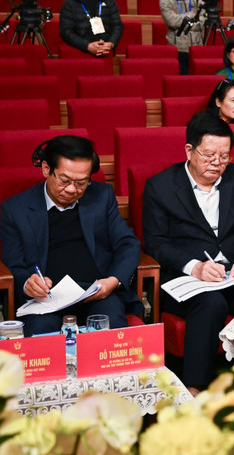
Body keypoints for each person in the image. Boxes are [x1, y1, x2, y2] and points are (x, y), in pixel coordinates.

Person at [142, 113, 234, 393]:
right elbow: (155, 243)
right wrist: (194, 266)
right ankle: (195, 388)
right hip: (186, 277)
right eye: (208, 156)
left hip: (233, 273)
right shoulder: (161, 186)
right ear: (189, 151)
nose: (217, 163)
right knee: (211, 304)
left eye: (224, 156)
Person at [0, 136, 141, 336]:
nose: (72, 189)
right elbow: (13, 265)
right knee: (42, 333)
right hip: (45, 301)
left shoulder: (102, 196)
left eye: (81, 183)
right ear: (46, 169)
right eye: (64, 181)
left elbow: (128, 243)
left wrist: (114, 280)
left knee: (110, 324)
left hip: (96, 293)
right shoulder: (15, 209)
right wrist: (27, 284)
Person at [59, 0, 123, 57]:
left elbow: (117, 25)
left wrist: (110, 43)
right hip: (81, 52)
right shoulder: (69, 4)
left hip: (106, 50)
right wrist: (87, 46)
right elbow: (66, 32)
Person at [160, 0, 203, 75]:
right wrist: (193, 14)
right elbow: (172, 22)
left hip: (197, 47)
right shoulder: (166, 0)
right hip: (178, 49)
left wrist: (180, 19)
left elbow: (203, 22)